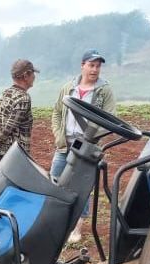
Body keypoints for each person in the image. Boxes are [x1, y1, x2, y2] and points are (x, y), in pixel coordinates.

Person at [49, 49, 117, 180]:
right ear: (82, 65)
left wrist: (93, 138)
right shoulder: (68, 88)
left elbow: (111, 120)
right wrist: (58, 136)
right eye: (91, 65)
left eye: (98, 66)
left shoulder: (104, 91)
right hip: (64, 147)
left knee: (79, 189)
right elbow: (57, 112)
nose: (95, 70)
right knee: (53, 183)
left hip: (85, 150)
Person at [0, 59, 39, 173]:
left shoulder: (2, 95)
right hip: (13, 157)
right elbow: (7, 130)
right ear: (26, 75)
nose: (34, 77)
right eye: (33, 73)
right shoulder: (23, 98)